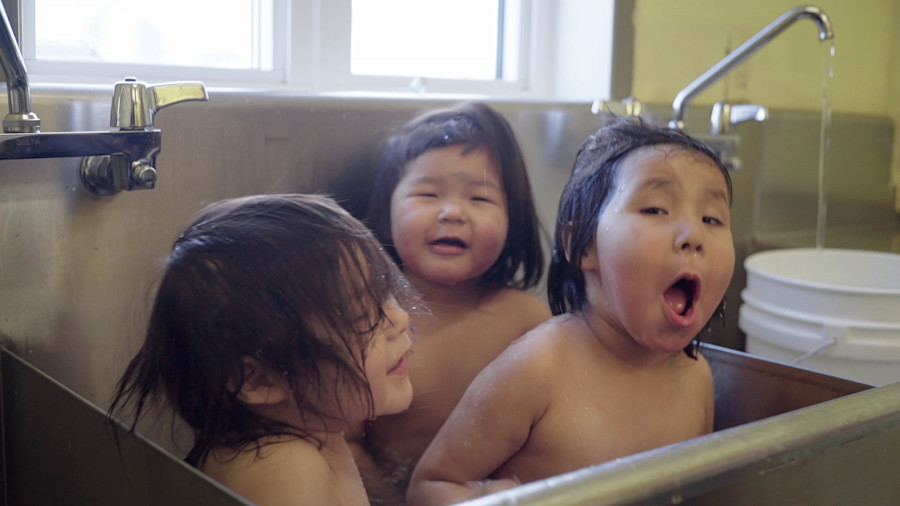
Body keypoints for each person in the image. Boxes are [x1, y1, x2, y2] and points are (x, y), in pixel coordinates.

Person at [406, 115, 734, 505]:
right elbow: (430, 487)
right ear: (581, 245)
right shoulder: (536, 370)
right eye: (655, 210)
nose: (693, 235)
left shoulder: (697, 379)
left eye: (712, 218)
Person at [107, 194, 418, 506]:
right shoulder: (289, 470)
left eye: (385, 293)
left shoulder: (308, 432)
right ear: (257, 380)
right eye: (362, 317)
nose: (400, 319)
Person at [353, 102, 551, 503]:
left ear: (512, 221)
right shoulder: (365, 318)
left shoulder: (528, 321)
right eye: (428, 194)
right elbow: (343, 443)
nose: (452, 212)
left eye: (479, 199)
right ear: (387, 211)